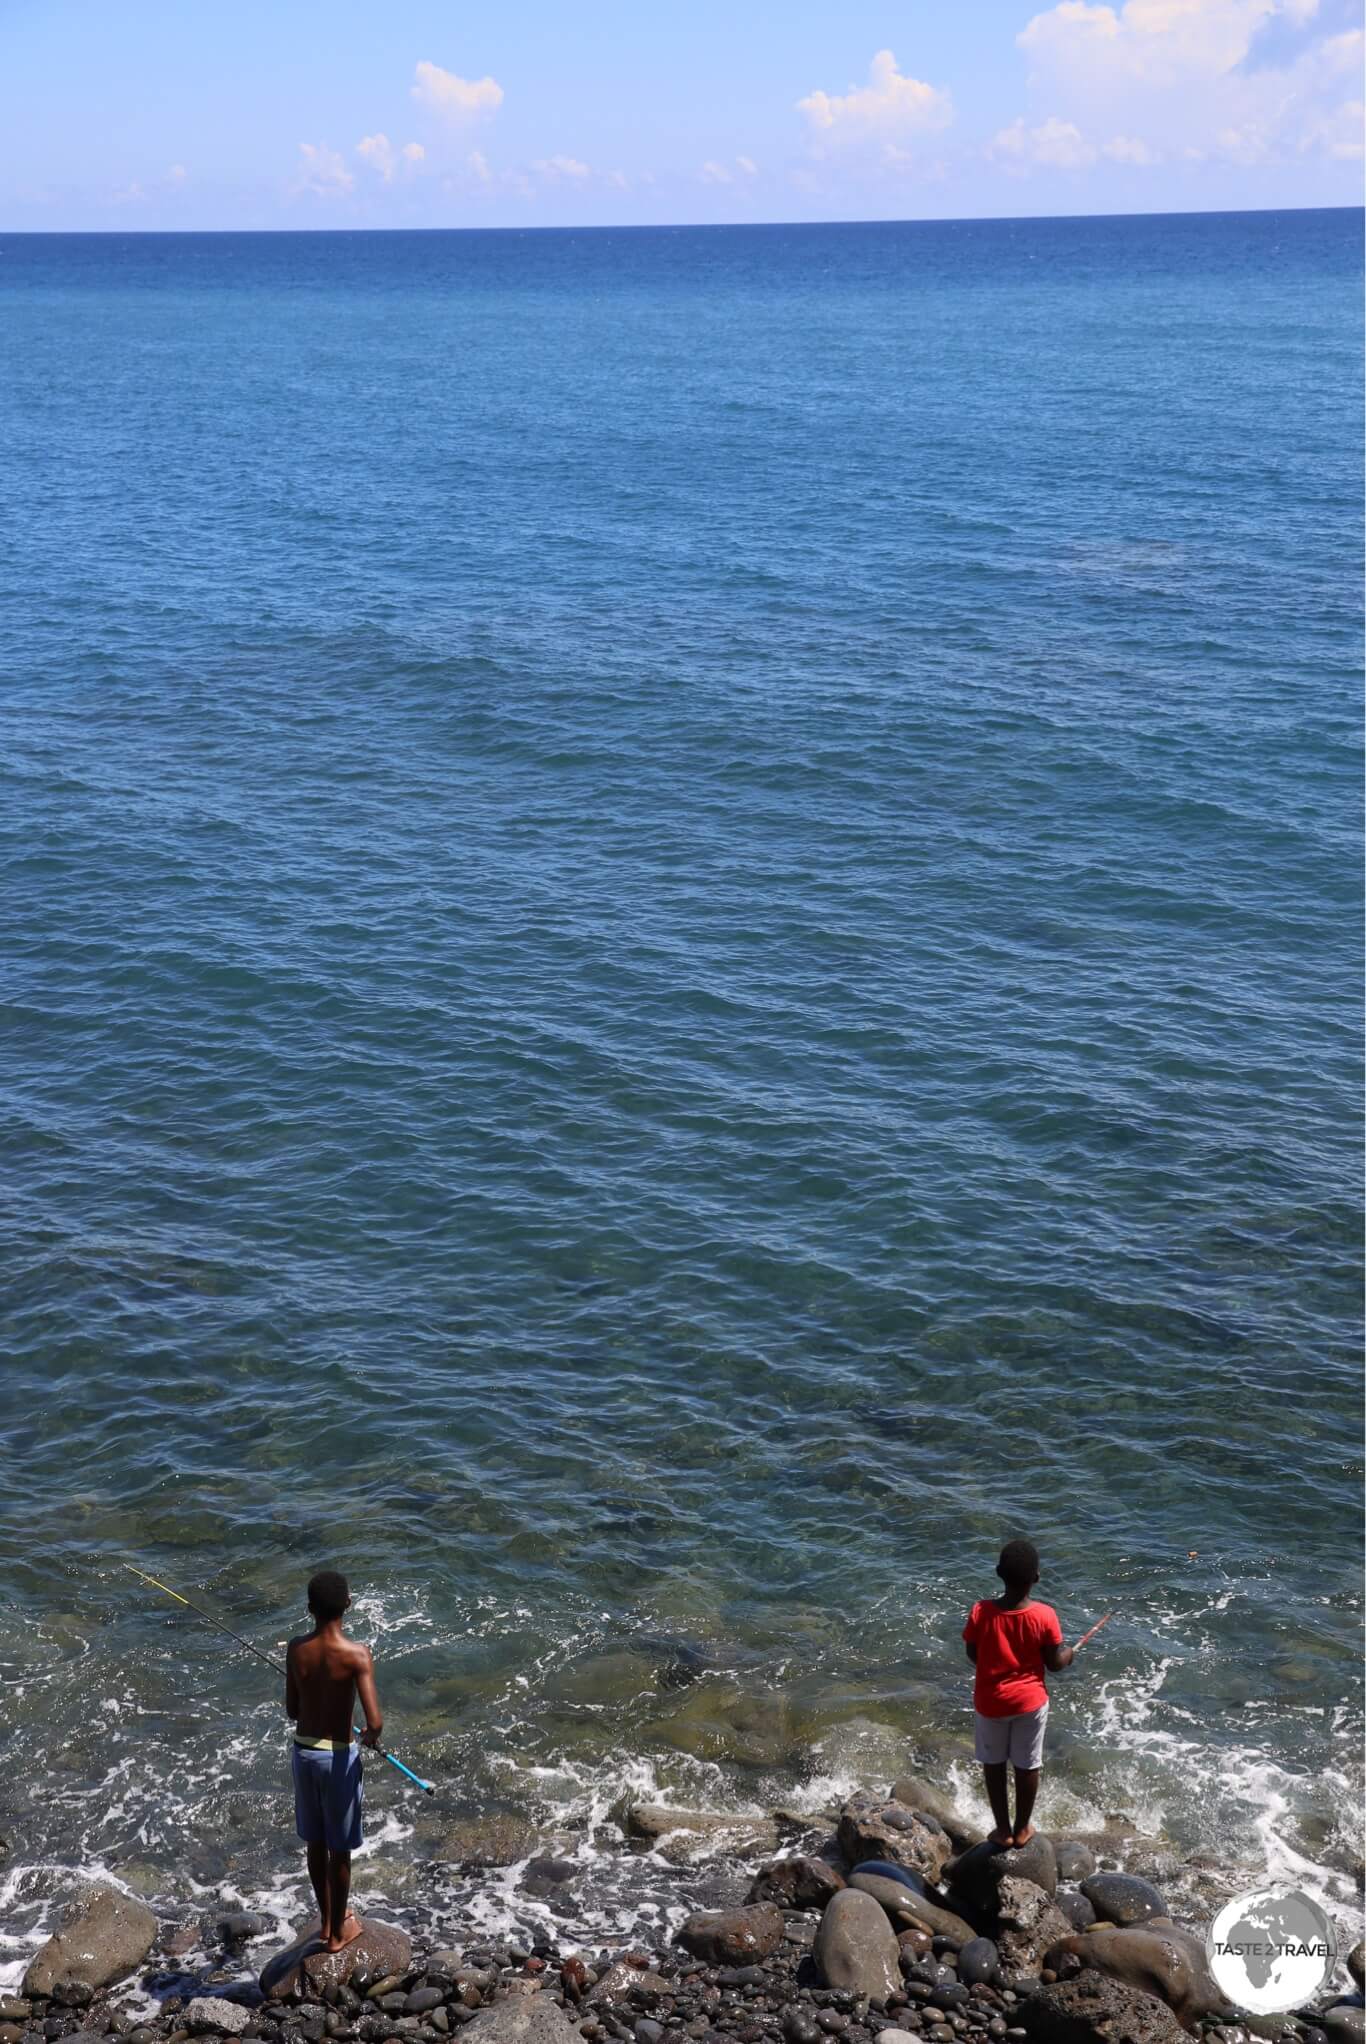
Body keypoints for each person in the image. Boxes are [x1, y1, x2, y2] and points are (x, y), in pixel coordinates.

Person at [286, 1570, 383, 1952]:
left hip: (304, 1753)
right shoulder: (357, 1654)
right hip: (338, 1759)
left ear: (310, 1609)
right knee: (339, 1848)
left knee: (315, 1840)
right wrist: (369, 1737)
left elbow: (293, 1710)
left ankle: (327, 1923)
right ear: (349, 1603)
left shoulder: (296, 1649)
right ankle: (340, 1936)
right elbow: (374, 1722)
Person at [963, 1538, 1072, 1848]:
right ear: (1036, 1578)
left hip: (990, 1702)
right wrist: (1069, 1654)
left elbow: (973, 1653)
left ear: (999, 1572)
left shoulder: (981, 1612)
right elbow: (1055, 1663)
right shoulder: (1045, 1616)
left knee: (993, 1764)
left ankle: (1002, 1830)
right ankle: (1023, 1829)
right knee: (1027, 1765)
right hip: (1030, 1703)